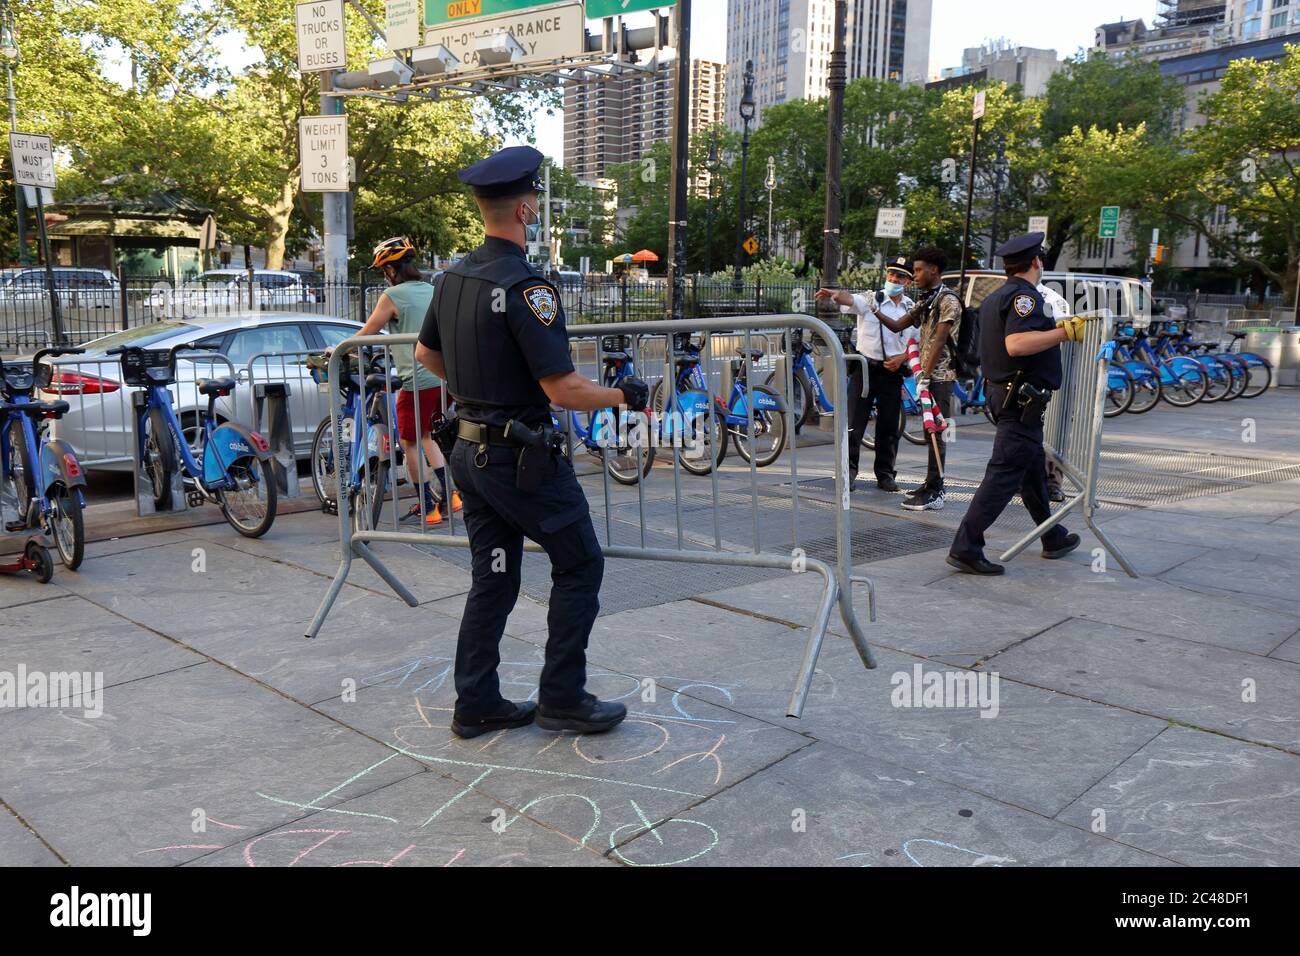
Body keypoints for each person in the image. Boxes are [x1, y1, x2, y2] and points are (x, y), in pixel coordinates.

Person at [414, 146, 650, 738]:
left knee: (493, 576)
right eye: (537, 201)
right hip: (520, 458)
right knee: (579, 564)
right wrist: (626, 397)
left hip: (467, 451)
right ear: (525, 210)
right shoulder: (528, 288)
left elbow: (425, 356)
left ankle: (477, 703)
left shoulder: (452, 279)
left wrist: (481, 390)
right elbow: (564, 389)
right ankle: (563, 697)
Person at [946, 232, 1084, 575]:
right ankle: (966, 546)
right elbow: (1018, 344)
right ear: (1036, 262)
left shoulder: (996, 296)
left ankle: (1052, 535)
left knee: (1031, 469)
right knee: (1004, 474)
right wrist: (1064, 332)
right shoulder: (1024, 297)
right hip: (1019, 398)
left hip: (1005, 394)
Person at [355, 237, 461, 525]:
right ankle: (450, 495)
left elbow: (368, 331)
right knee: (427, 435)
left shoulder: (392, 296)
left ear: (390, 270)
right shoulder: (430, 289)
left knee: (409, 442)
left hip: (418, 380)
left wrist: (339, 349)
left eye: (383, 270)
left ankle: (428, 507)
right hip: (443, 378)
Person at [859, 247, 963, 511]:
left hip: (940, 376)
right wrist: (875, 310)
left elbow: (940, 340)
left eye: (917, 270)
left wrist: (925, 376)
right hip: (927, 375)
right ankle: (929, 484)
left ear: (934, 270)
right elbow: (898, 325)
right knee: (930, 432)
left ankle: (937, 489)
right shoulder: (927, 299)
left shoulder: (947, 300)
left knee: (937, 431)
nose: (914, 275)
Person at [814, 256, 917, 492]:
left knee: (889, 427)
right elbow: (851, 300)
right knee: (853, 424)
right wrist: (837, 295)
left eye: (900, 276)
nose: (894, 279)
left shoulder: (911, 309)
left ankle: (885, 474)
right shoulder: (872, 299)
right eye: (891, 274)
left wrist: (902, 358)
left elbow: (917, 343)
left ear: (908, 282)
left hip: (892, 371)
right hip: (865, 369)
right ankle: (848, 472)